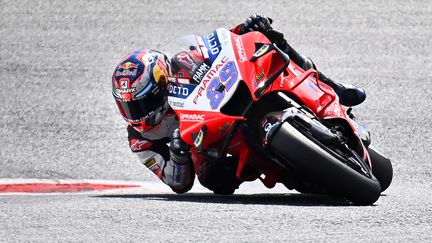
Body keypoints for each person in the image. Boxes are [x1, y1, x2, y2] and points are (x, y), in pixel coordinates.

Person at [111, 14, 366, 195]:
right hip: (210, 139)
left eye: (142, 103)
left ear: (161, 83)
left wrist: (246, 28)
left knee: (267, 38)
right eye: (129, 106)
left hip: (227, 97)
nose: (137, 114)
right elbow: (177, 183)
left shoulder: (183, 60)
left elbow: (219, 45)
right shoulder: (140, 139)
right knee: (213, 179)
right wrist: (178, 155)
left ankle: (334, 88)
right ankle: (267, 163)